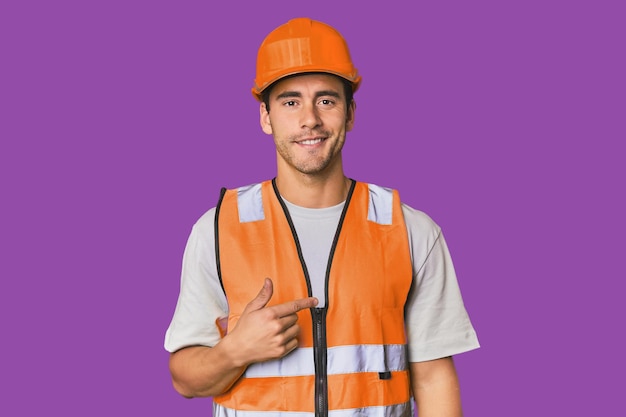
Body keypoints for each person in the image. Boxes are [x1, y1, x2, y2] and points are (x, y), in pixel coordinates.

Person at [164, 17, 479, 417]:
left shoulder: (410, 230)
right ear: (266, 117)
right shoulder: (218, 229)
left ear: (349, 114)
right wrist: (234, 351)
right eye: (290, 101)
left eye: (326, 100)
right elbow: (185, 380)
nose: (309, 118)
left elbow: (434, 380)